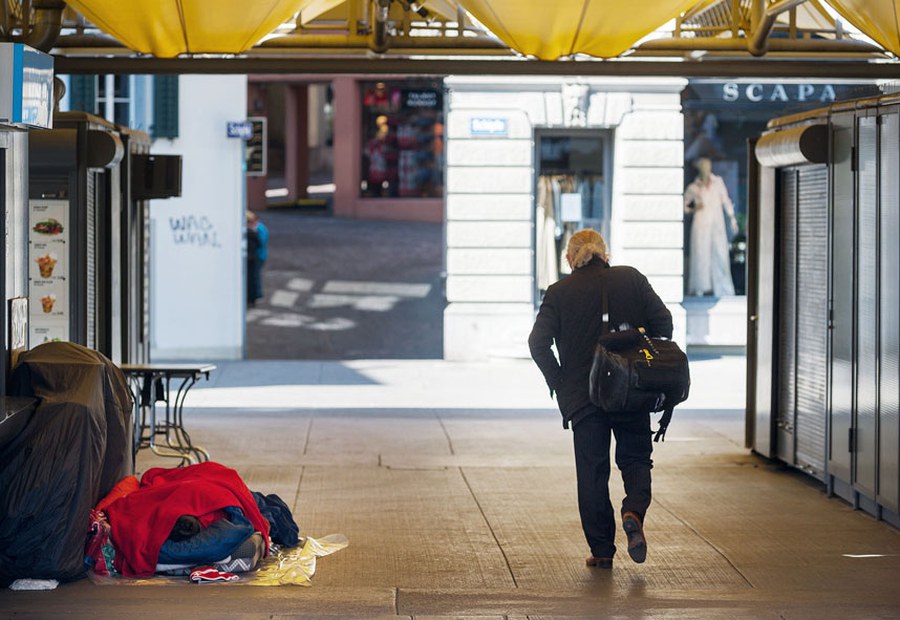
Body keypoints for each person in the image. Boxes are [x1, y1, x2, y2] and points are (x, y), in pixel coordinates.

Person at [528, 229, 673, 569]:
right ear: (606, 252)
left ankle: (602, 550)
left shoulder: (558, 292)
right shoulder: (631, 279)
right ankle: (633, 510)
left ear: (569, 258)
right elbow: (664, 324)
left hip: (584, 395)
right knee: (636, 459)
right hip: (630, 390)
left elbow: (538, 343)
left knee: (592, 472)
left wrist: (559, 381)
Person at [683, 157, 738, 296]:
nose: (705, 169)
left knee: (719, 253)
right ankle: (701, 287)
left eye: (707, 166)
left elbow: (726, 200)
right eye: (703, 167)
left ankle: (723, 287)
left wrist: (732, 218)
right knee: (701, 256)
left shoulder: (717, 183)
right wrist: (694, 206)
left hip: (716, 224)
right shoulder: (694, 187)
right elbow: (685, 206)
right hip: (701, 224)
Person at [246, 212, 262, 306]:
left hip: (248, 259)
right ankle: (253, 299)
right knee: (253, 279)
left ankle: (249, 298)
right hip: (253, 258)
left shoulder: (245, 233)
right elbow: (259, 244)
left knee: (248, 279)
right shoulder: (253, 233)